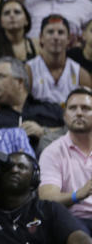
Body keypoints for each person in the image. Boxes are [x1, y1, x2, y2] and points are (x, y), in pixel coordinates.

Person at [38, 88, 92, 233]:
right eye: (73, 108)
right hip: (73, 219)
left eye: (86, 108)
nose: (79, 112)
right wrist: (78, 194)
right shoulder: (53, 152)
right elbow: (47, 198)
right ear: (65, 116)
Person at [0, 56, 65, 147]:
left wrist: (44, 132)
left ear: (20, 82)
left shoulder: (50, 109)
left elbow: (74, 133)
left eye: (0, 76)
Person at [27, 14, 92, 106]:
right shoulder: (28, 70)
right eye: (50, 32)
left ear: (69, 39)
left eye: (60, 32)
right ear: (41, 38)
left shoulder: (81, 75)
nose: (55, 37)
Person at [0, 0, 38, 65]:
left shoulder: (36, 44)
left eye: (17, 12)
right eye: (6, 13)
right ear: (1, 22)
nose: (12, 15)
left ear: (26, 20)